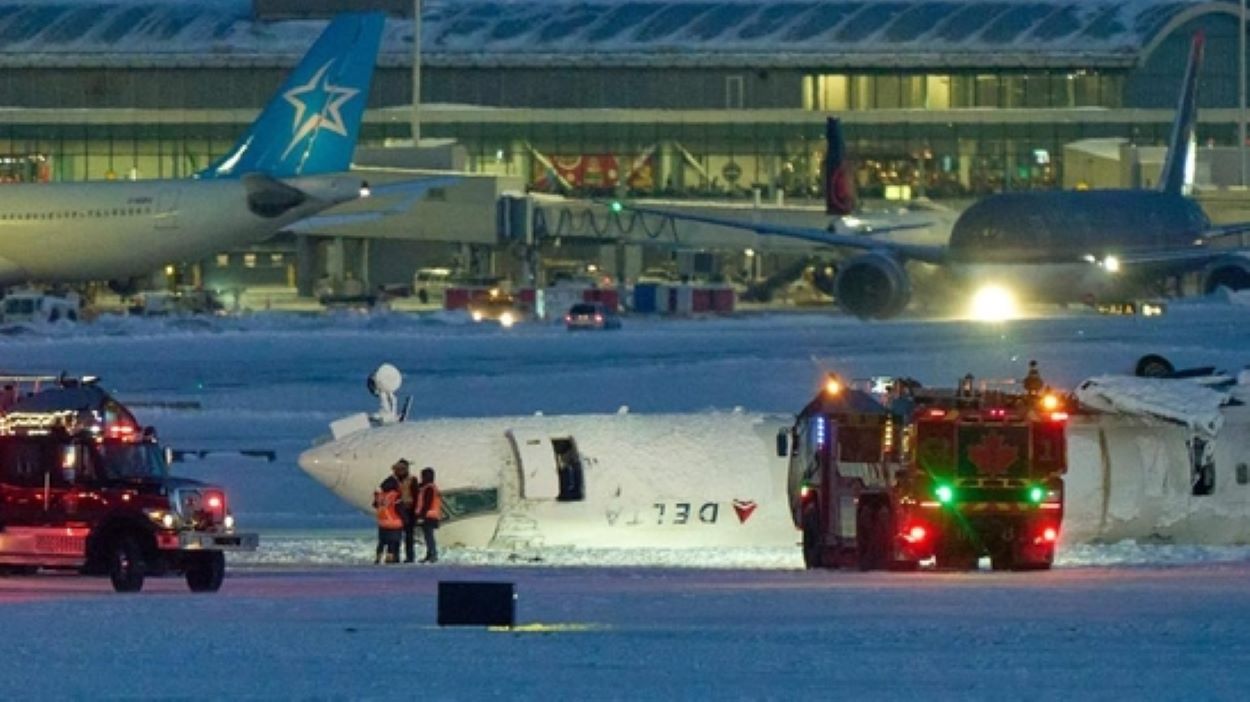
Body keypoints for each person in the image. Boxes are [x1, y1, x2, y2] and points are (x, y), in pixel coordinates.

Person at [379, 459, 419, 563]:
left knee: (408, 537)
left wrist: (416, 512)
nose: (400, 471)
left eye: (402, 469)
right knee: (396, 537)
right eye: (398, 469)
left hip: (408, 511)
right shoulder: (392, 480)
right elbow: (383, 488)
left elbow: (416, 495)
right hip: (396, 511)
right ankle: (395, 557)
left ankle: (409, 557)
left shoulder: (412, 480)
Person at [415, 467, 443, 563]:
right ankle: (430, 554)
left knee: (429, 536)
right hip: (430, 515)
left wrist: (421, 516)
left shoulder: (429, 488)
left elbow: (426, 503)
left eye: (423, 476)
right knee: (428, 536)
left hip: (429, 515)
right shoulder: (428, 487)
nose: (422, 478)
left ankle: (432, 554)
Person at [372, 483, 402, 564]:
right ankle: (389, 559)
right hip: (393, 522)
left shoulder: (380, 496)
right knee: (392, 542)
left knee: (381, 542)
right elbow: (399, 508)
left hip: (382, 522)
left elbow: (375, 504)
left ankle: (378, 558)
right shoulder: (395, 495)